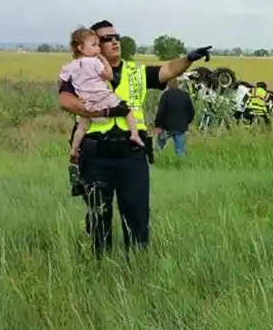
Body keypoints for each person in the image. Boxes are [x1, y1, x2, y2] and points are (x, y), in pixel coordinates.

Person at [58, 19, 212, 258]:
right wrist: (104, 112)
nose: (114, 42)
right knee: (98, 216)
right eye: (106, 39)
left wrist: (189, 58)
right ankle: (100, 267)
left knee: (137, 216)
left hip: (132, 155)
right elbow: (66, 101)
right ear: (93, 45)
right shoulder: (80, 70)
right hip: (96, 154)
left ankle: (137, 270)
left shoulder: (135, 72)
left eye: (116, 37)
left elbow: (168, 70)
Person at [60, 27, 144, 161]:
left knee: (81, 128)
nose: (98, 49)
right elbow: (109, 76)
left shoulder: (71, 66)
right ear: (81, 48)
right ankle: (134, 134)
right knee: (127, 110)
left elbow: (63, 79)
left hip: (86, 102)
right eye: (94, 45)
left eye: (98, 46)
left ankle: (74, 149)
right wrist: (104, 60)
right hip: (102, 97)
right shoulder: (94, 62)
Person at [154, 78, 195, 157]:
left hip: (166, 126)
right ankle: (180, 165)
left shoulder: (165, 95)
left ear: (168, 85)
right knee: (180, 149)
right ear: (178, 84)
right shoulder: (185, 95)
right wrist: (186, 122)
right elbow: (191, 112)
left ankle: (154, 160)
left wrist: (158, 125)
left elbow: (161, 112)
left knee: (159, 146)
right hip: (180, 127)